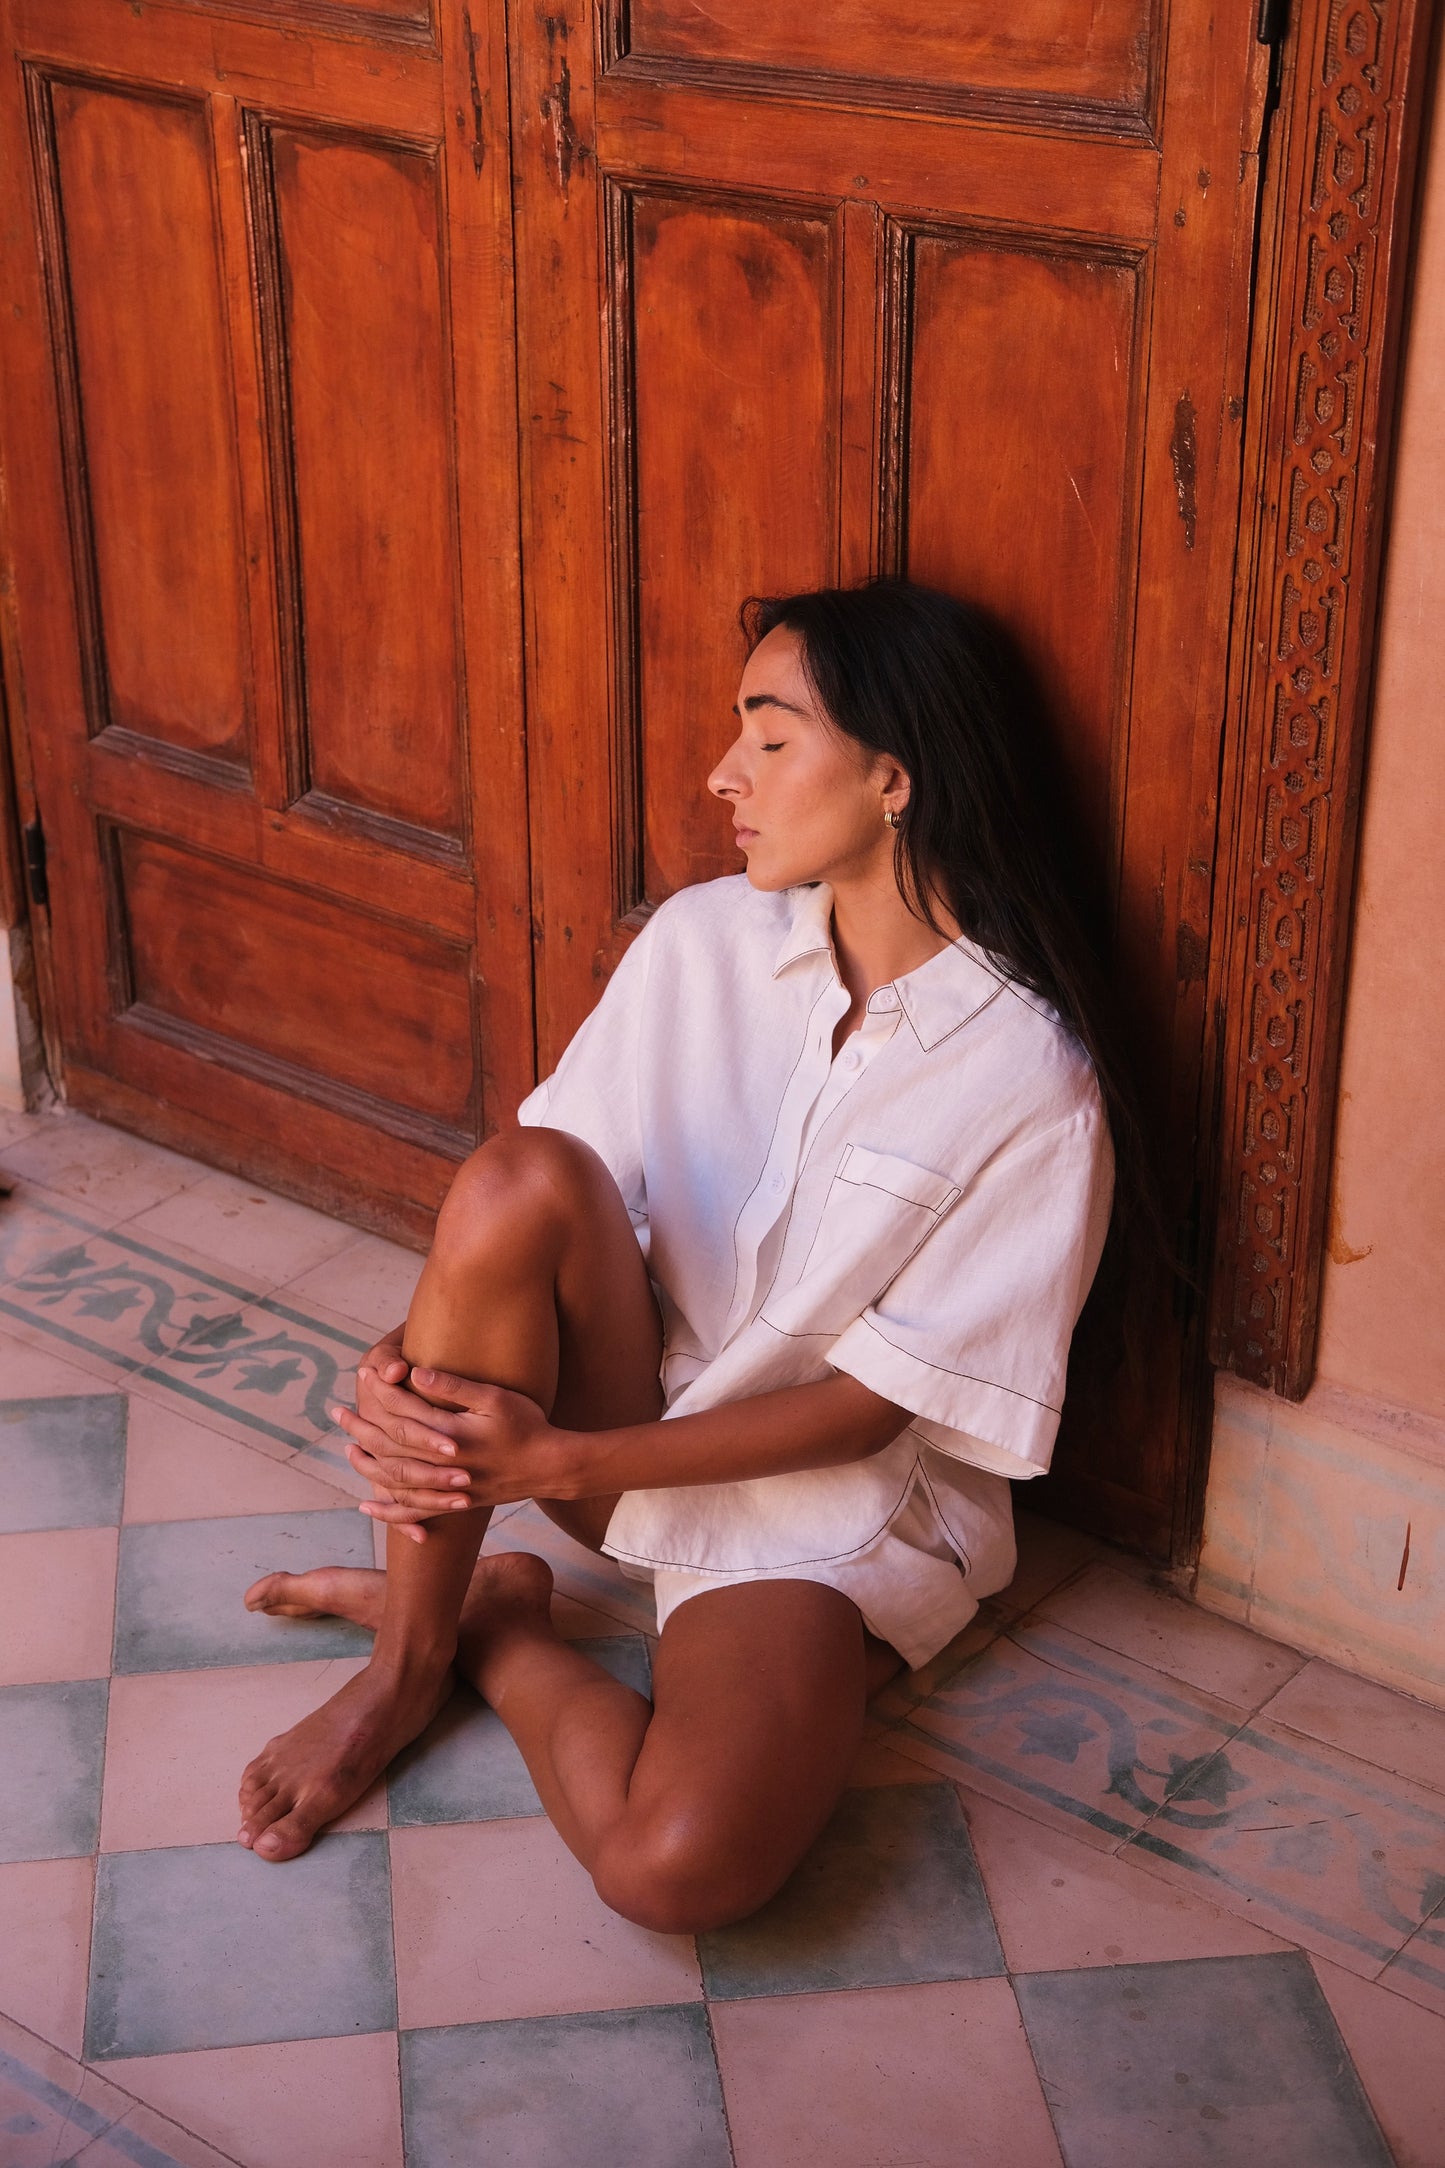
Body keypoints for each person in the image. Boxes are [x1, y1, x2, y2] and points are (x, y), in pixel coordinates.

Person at [235, 579, 1121, 1934]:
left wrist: (557, 1467)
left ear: (894, 780)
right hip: (627, 1421)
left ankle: (500, 1627)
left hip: (826, 1514)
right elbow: (528, 1214)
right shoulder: (701, 943)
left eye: (768, 739)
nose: (723, 776)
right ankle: (403, 1669)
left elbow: (873, 1410)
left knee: (673, 1870)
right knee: (517, 1172)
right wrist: (407, 1356)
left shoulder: (1028, 1073)